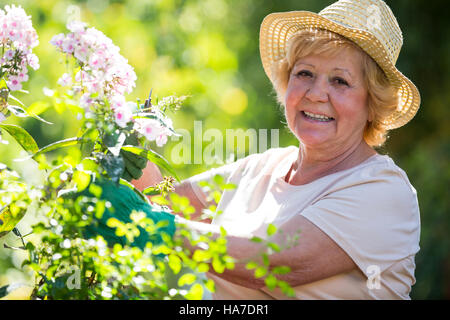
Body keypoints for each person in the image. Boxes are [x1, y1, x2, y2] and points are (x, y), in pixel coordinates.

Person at [133, 0, 421, 300]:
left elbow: (272, 264)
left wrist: (159, 227)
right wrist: (124, 144)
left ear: (372, 104)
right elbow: (163, 203)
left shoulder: (383, 191)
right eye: (305, 74)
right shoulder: (262, 168)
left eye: (340, 81)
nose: (315, 93)